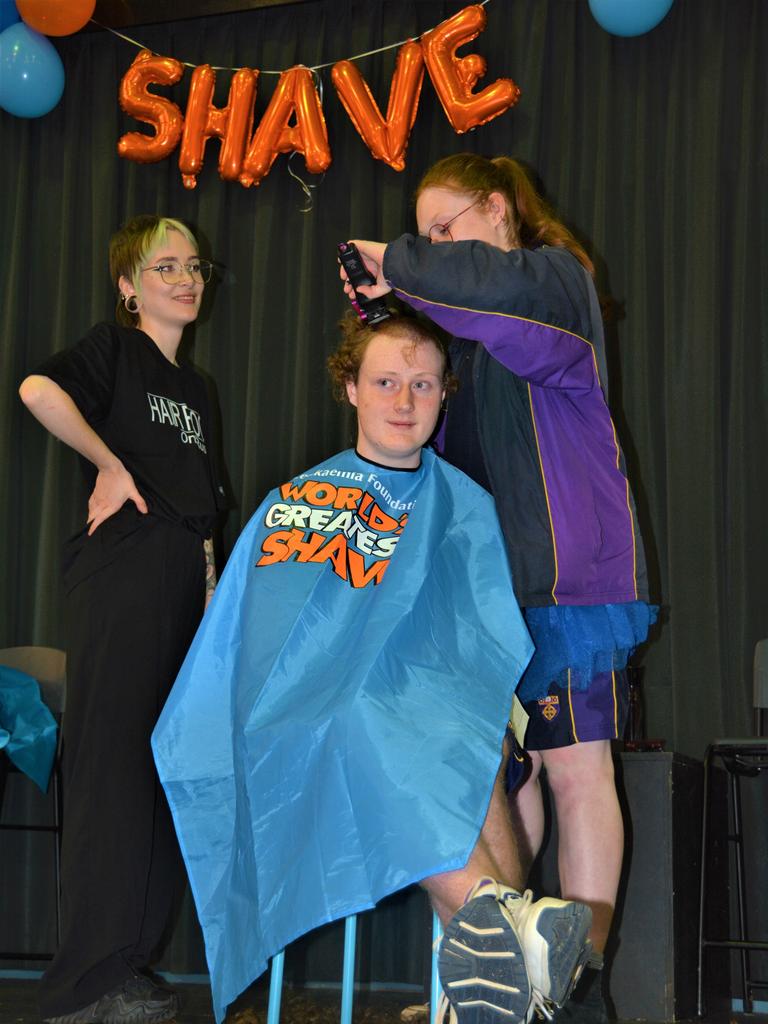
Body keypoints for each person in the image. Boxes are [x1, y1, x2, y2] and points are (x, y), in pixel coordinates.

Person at [151, 310, 592, 1024]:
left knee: (471, 739)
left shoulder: (463, 505)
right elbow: (255, 643)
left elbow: (477, 632)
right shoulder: (291, 504)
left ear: (444, 396)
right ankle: (516, 942)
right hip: (300, 713)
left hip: (425, 706)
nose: (404, 401)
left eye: (423, 384)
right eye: (386, 382)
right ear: (350, 389)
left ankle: (490, 968)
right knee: (372, 709)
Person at [342, 153, 657, 1024]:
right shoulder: (466, 344)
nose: (437, 249)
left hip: (564, 582)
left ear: (499, 211)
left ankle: (580, 987)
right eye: (426, 235)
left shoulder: (555, 284)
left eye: (446, 229)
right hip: (483, 597)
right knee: (499, 785)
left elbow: (488, 287)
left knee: (577, 772)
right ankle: (501, 987)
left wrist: (400, 260)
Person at [19, 215, 227, 1024]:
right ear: (129, 286)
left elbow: (207, 508)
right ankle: (82, 983)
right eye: (164, 266)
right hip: (123, 572)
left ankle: (128, 963)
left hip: (183, 578)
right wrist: (108, 463)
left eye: (193, 265)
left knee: (163, 773)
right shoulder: (115, 350)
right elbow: (39, 390)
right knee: (112, 771)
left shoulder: (199, 390)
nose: (185, 278)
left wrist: (210, 598)